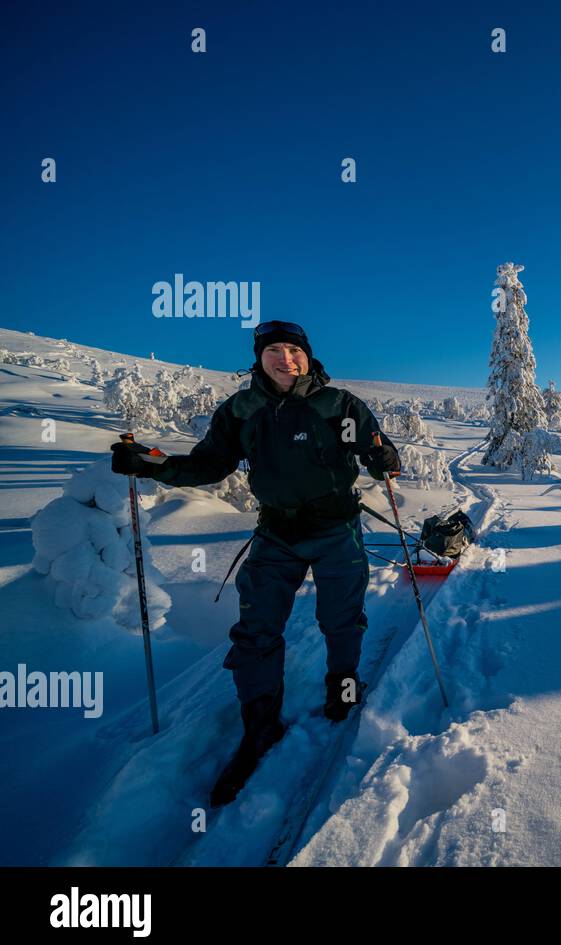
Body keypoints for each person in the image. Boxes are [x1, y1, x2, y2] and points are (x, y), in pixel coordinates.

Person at [110, 321, 401, 806]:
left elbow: (370, 446)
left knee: (341, 617)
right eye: (274, 351)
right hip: (276, 534)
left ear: (308, 357)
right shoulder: (242, 411)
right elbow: (208, 465)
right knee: (256, 629)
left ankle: (343, 686)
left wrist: (382, 456)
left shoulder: (339, 405)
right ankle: (260, 724)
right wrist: (151, 463)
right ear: (260, 359)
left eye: (293, 350)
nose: (285, 358)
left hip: (337, 530)